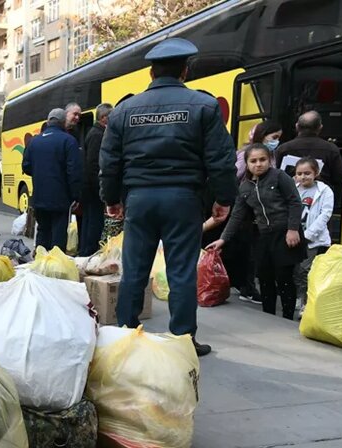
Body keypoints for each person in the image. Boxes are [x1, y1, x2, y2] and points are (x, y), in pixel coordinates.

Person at [100, 38, 238, 357]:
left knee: (134, 269)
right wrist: (223, 198)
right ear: (185, 71)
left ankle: (126, 335)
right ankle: (182, 340)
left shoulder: (124, 111)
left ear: (150, 73)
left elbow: (109, 162)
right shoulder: (203, 106)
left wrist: (111, 198)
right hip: (183, 199)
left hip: (140, 199)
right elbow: (220, 158)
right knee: (181, 272)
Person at [208, 144, 306, 320]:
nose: (258, 164)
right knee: (265, 277)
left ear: (270, 160)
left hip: (285, 233)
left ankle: (287, 318)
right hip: (263, 236)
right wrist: (223, 240)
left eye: (263, 160)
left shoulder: (279, 177)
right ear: (247, 163)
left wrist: (292, 229)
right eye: (253, 161)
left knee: (284, 277)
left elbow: (295, 203)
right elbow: (236, 216)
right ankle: (268, 317)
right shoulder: (244, 187)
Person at [22, 108, 83, 251]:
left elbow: (26, 167)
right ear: (63, 122)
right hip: (60, 198)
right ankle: (55, 267)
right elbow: (74, 171)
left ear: (48, 121)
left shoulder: (35, 141)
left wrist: (40, 173)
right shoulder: (69, 141)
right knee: (59, 234)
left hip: (39, 196)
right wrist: (75, 196)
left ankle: (40, 264)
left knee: (42, 231)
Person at [275, 111, 342, 209]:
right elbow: (340, 177)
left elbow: (276, 175)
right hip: (319, 202)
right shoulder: (331, 149)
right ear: (320, 127)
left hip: (289, 201)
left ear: (297, 126)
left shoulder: (283, 149)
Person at [293, 157, 333, 318]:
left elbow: (325, 214)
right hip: (294, 236)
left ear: (316, 173)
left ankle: (305, 302)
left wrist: (309, 235)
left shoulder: (325, 191)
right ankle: (299, 297)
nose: (303, 177)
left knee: (304, 270)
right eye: (299, 173)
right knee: (295, 270)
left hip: (312, 240)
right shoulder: (294, 188)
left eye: (307, 173)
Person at [79, 103, 112, 256]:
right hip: (93, 189)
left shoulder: (94, 133)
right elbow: (93, 164)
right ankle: (89, 252)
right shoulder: (97, 135)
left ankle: (86, 251)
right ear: (104, 118)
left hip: (90, 187)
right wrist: (100, 189)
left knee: (89, 220)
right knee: (94, 222)